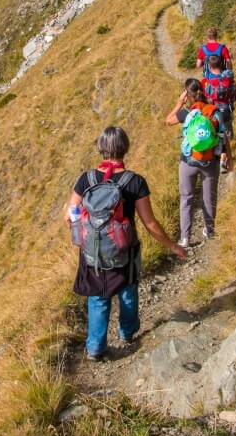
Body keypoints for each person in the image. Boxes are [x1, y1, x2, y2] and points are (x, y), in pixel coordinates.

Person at [65, 126, 186, 361]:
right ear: (125, 147)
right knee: (128, 291)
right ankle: (127, 333)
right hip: (124, 250)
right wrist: (173, 246)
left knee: (97, 298)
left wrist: (90, 236)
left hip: (93, 253)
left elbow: (69, 216)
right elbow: (150, 223)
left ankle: (95, 348)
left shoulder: (86, 179)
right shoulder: (135, 182)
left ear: (101, 148)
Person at [165, 78, 232, 247]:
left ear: (187, 95)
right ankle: (209, 231)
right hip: (210, 162)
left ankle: (185, 238)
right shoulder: (215, 112)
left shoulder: (187, 113)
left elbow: (168, 120)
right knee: (209, 197)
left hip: (188, 161)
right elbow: (224, 137)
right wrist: (228, 157)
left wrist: (179, 103)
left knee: (186, 198)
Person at [201, 51, 236, 143]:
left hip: (214, 111)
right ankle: (231, 145)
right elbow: (234, 89)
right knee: (228, 129)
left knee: (216, 131)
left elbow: (205, 98)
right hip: (227, 108)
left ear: (209, 67)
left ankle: (222, 150)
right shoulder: (228, 77)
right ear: (221, 64)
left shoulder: (206, 82)